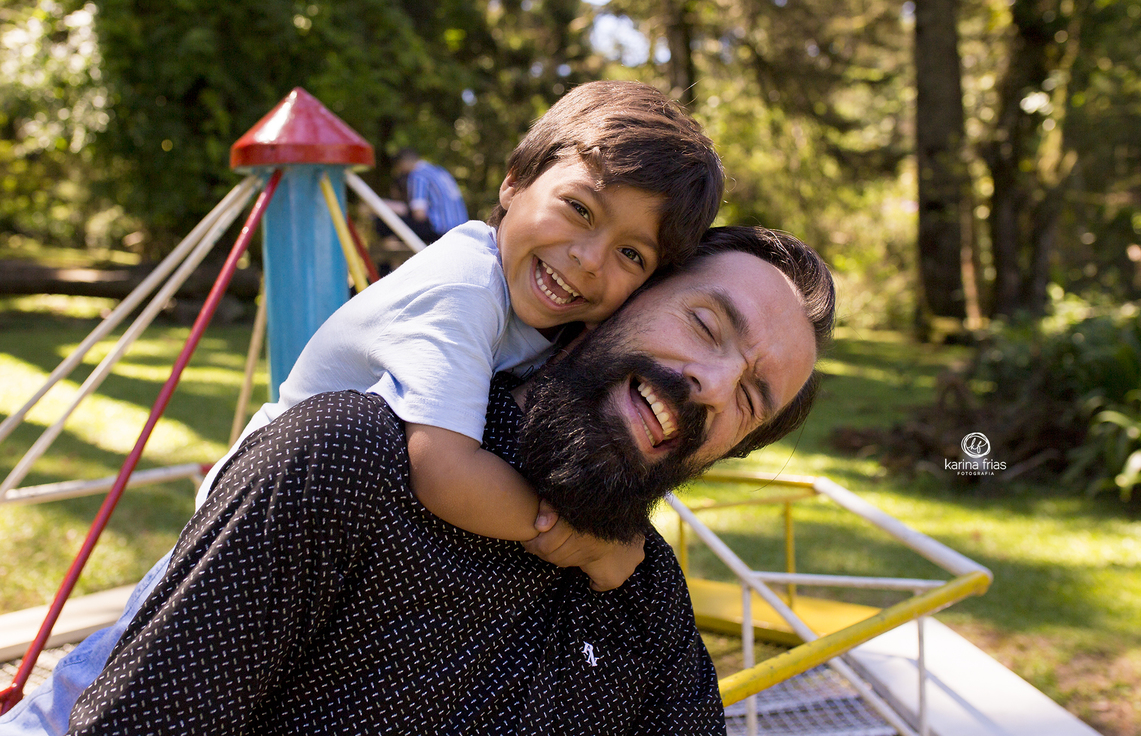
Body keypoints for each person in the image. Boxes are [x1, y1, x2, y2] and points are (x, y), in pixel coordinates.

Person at [51, 225, 835, 735]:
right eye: (704, 324)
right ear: (615, 304)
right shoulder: (349, 461)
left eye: (750, 400)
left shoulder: (646, 607)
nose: (711, 386)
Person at [193, 79, 724, 590]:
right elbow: (444, 473)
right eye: (579, 208)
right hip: (253, 524)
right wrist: (583, 541)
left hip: (325, 535)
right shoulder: (465, 286)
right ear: (514, 182)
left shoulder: (557, 322)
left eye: (630, 253)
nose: (589, 260)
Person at [393, 147, 469, 241]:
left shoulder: (418, 175)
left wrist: (398, 208)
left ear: (402, 163)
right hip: (461, 230)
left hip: (441, 231)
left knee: (385, 224)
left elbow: (419, 214)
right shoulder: (439, 171)